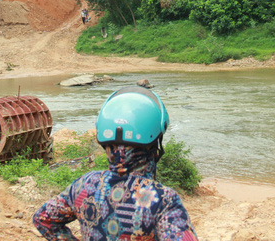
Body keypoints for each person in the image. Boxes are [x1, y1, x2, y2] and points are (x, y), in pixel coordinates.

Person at [33, 86, 198, 240]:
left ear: (105, 144)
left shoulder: (85, 185)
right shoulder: (163, 200)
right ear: (154, 145)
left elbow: (42, 219)